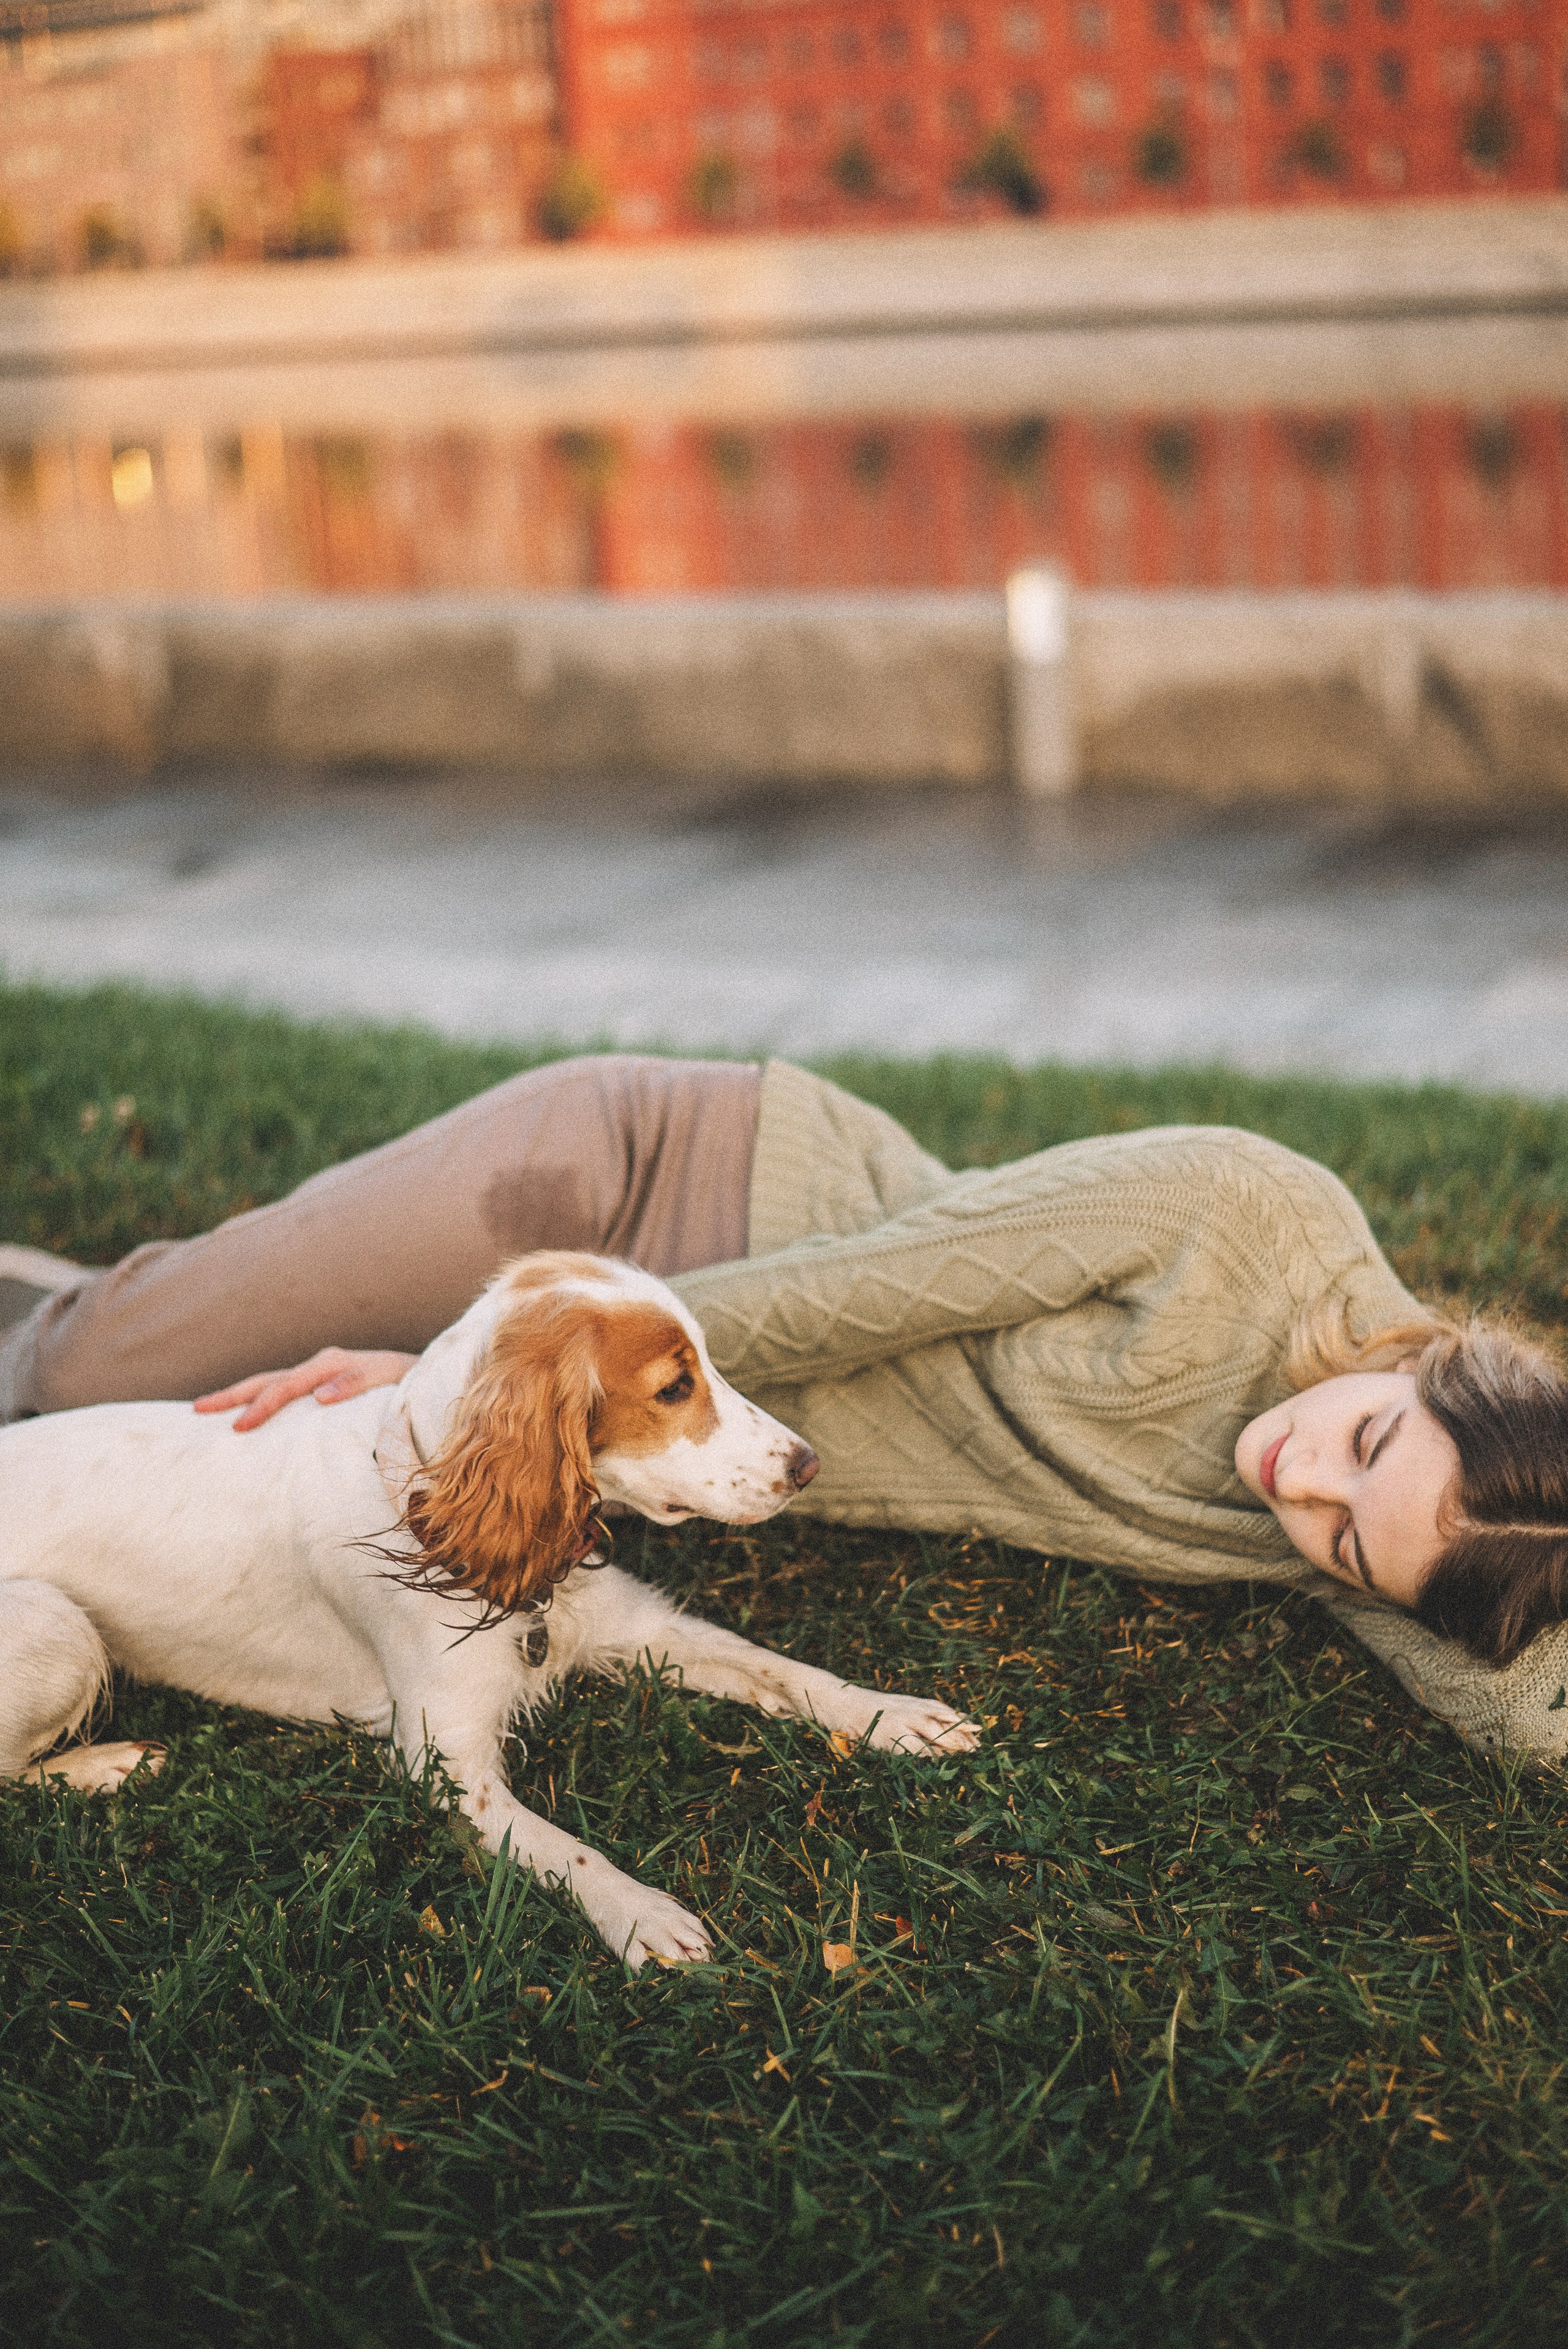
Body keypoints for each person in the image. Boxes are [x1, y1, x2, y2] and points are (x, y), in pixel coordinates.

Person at [4, 1054, 1567, 1763]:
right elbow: (866, 1283)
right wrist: (454, 1360)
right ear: (1443, 1353)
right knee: (88, 1368)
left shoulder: (1353, 1531)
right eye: (1361, 1439)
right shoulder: (1247, 1209)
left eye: (1341, 1544)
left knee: (174, 1370)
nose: (1293, 1483)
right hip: (660, 1186)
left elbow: (1509, 1704)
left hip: (653, 1393)